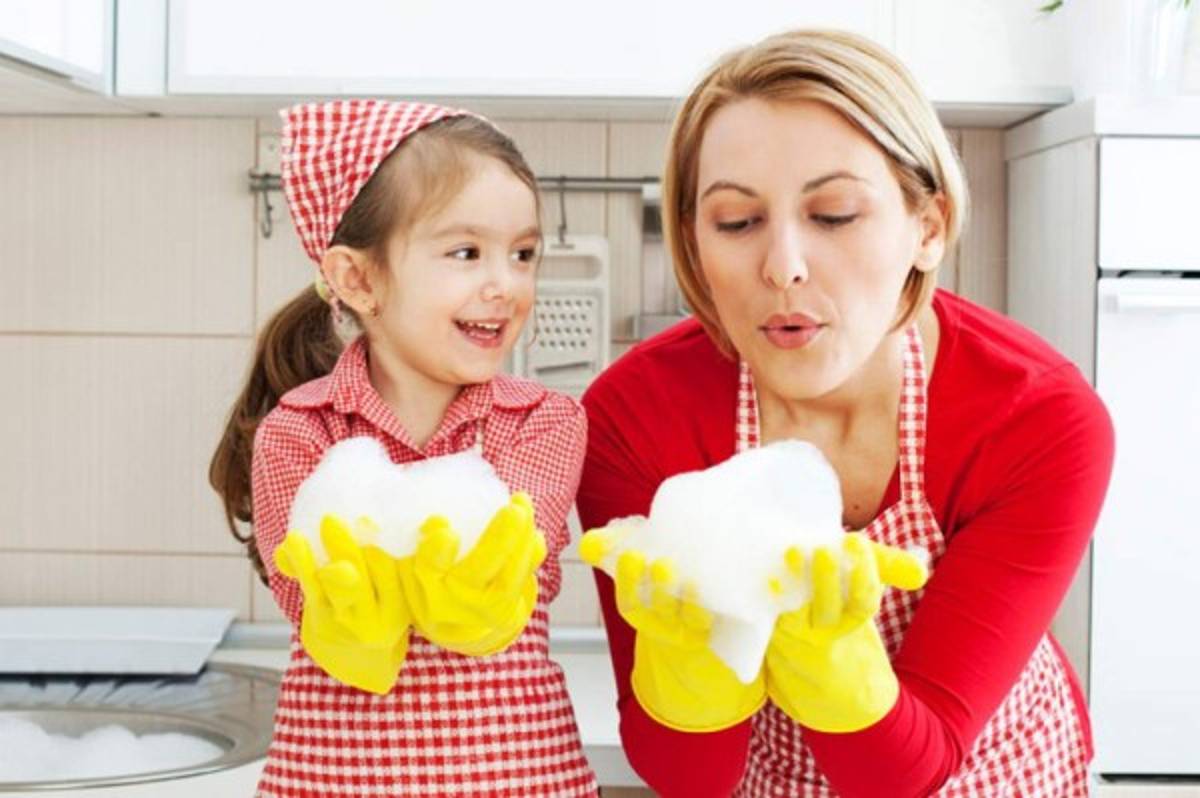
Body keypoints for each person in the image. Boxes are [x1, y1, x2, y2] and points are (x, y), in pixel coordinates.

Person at [576, 30, 1114, 797]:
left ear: (927, 227)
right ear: (694, 246)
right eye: (735, 222)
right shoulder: (635, 419)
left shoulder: (1037, 420)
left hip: (991, 775)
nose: (783, 266)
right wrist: (687, 666)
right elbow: (687, 775)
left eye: (833, 215)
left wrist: (828, 660)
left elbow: (913, 767)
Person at [209, 100, 598, 796]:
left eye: (523, 254)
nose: (505, 284)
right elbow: (314, 610)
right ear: (359, 279)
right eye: (465, 252)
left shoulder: (546, 422)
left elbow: (509, 588)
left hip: (518, 779)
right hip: (332, 781)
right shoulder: (298, 432)